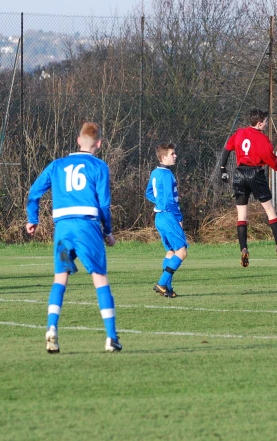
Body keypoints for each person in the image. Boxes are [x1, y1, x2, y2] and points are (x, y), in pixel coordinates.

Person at [26, 122, 122, 353]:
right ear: (99, 143)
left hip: (62, 229)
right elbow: (104, 204)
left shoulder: (57, 165)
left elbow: (34, 192)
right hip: (87, 227)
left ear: (78, 140)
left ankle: (51, 328)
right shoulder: (99, 166)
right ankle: (111, 337)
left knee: (60, 278)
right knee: (99, 278)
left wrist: (33, 219)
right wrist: (108, 231)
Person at [219, 108, 277, 267]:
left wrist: (223, 169)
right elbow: (270, 158)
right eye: (265, 122)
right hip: (255, 174)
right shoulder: (262, 139)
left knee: (241, 216)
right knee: (270, 210)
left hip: (239, 174)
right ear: (259, 123)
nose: (265, 124)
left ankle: (243, 249)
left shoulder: (239, 133)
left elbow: (227, 148)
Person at [145, 143, 187, 298]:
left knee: (171, 251)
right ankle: (162, 283)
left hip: (159, 217)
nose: (175, 156)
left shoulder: (155, 173)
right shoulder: (167, 174)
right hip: (169, 216)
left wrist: (158, 202)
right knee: (182, 252)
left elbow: (148, 193)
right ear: (163, 157)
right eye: (172, 154)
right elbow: (170, 200)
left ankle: (167, 289)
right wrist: (179, 217)